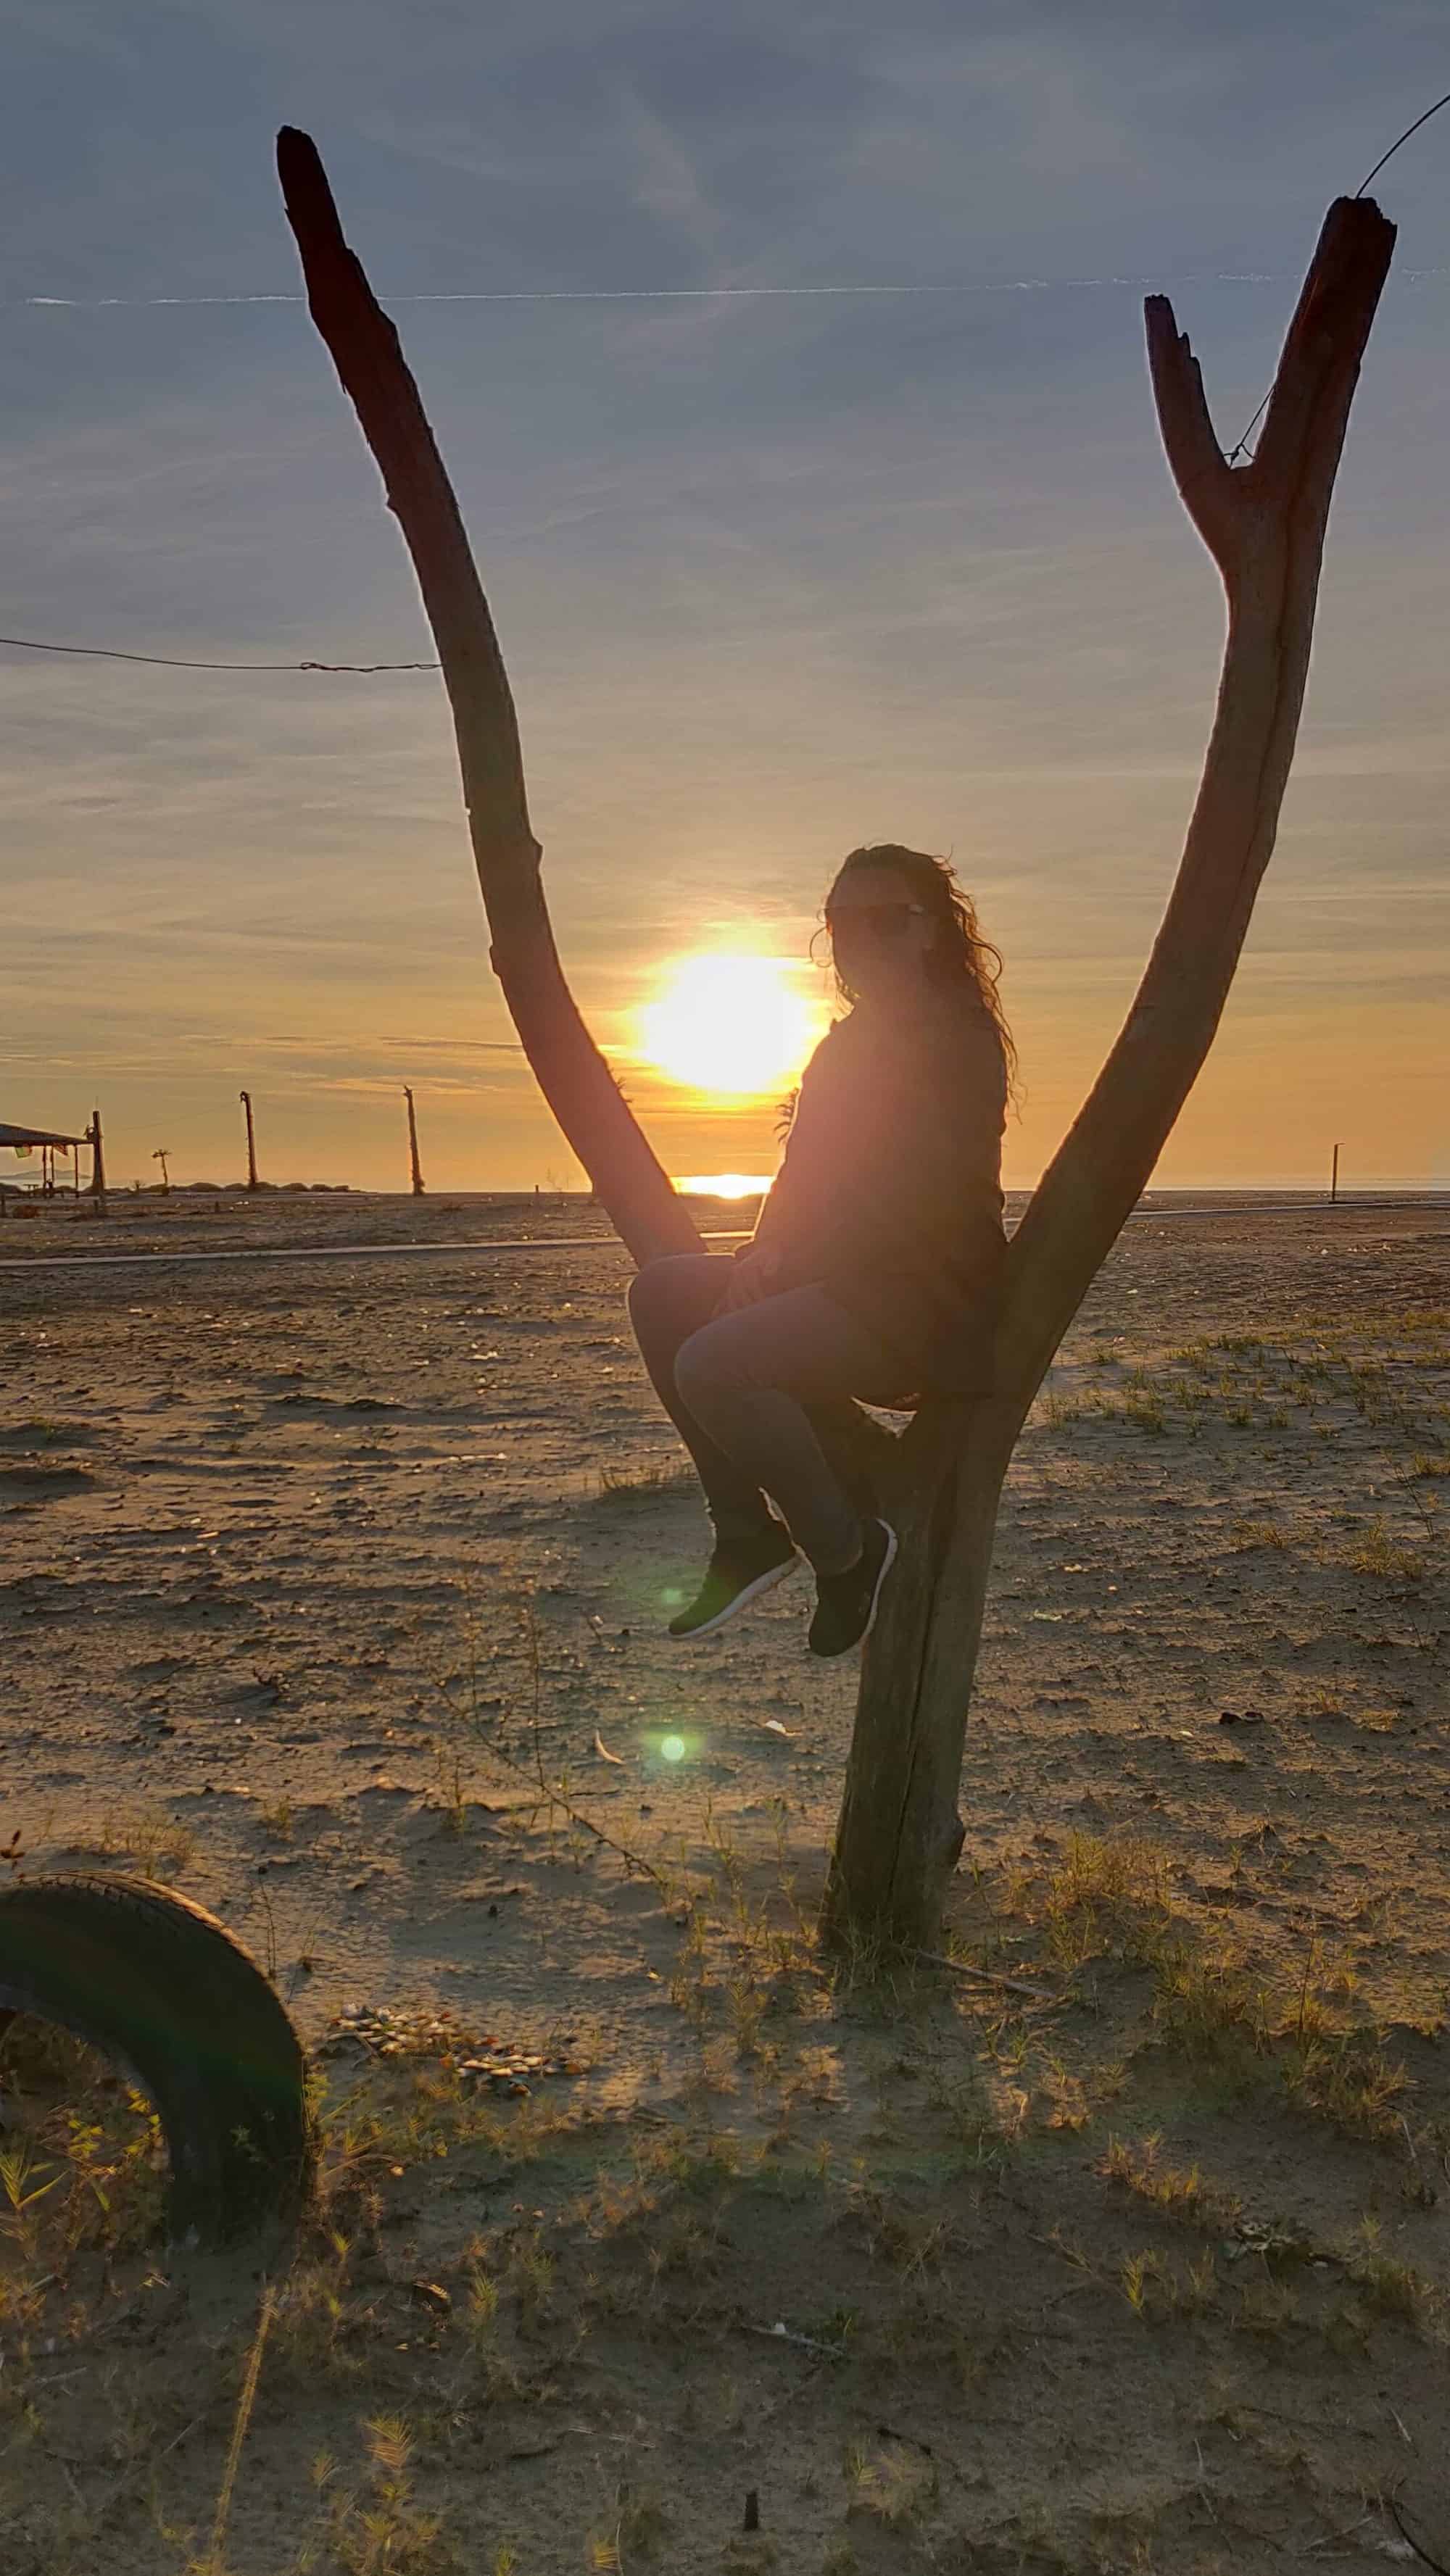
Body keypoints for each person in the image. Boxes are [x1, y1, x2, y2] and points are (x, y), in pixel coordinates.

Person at [626, 844, 1016, 1659]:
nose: (857, 939)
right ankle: (744, 1534)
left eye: (884, 919)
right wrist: (762, 1254)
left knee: (711, 1364)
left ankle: (844, 1552)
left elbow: (910, 1193)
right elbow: (801, 1173)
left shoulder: (953, 1041)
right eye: (840, 922)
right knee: (662, 1294)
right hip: (837, 1279)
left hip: (919, 1300)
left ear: (929, 932)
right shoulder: (847, 1043)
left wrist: (784, 1268)